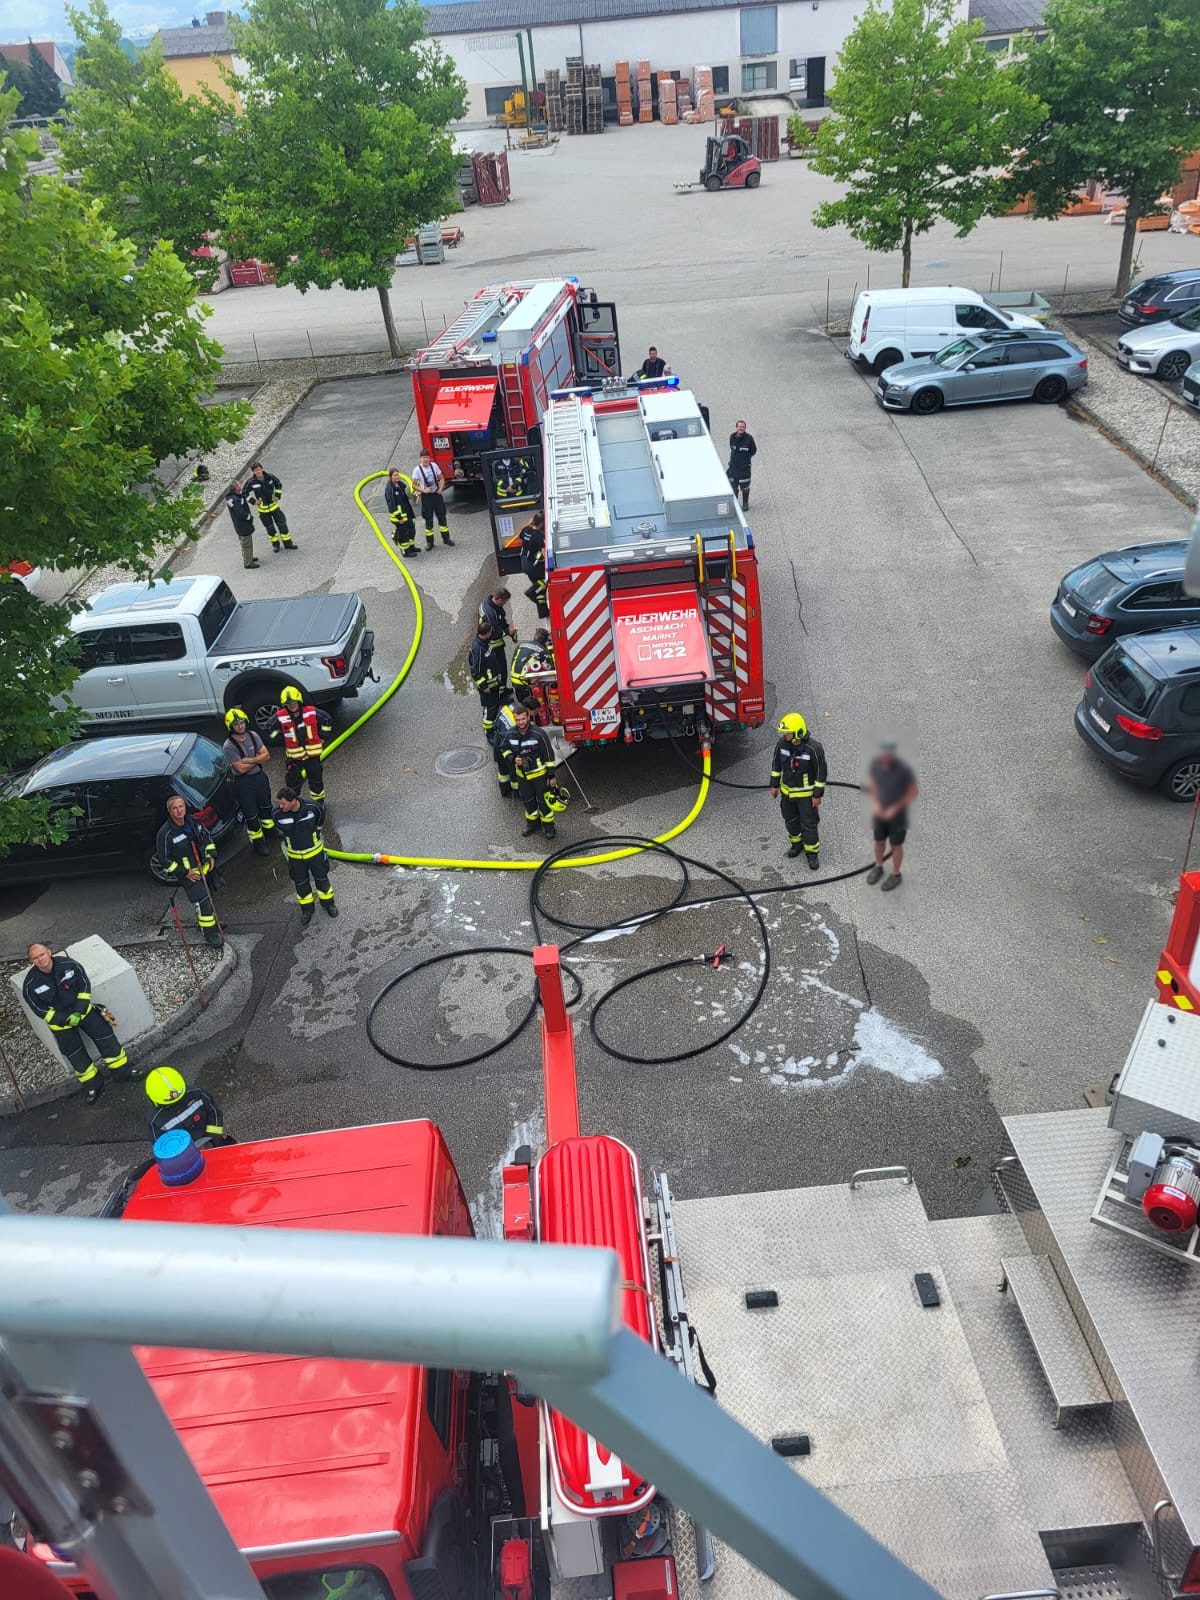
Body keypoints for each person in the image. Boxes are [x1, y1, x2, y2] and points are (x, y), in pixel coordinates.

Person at [22, 943, 136, 1103]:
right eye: (35, 958)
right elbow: (39, 1009)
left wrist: (79, 1011)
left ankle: (123, 1072)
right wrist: (64, 1019)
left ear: (49, 952)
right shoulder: (30, 984)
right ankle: (93, 1084)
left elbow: (84, 985)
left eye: (42, 954)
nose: (40, 959)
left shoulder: (69, 965)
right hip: (61, 1024)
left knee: (106, 1040)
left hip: (83, 1012)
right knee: (76, 1056)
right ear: (31, 961)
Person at [156, 795, 223, 947]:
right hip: (190, 876)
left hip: (205, 869)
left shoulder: (193, 821)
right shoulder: (166, 834)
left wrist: (211, 855)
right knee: (203, 902)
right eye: (175, 808)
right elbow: (165, 860)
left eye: (181, 806)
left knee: (209, 898)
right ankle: (210, 933)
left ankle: (209, 923)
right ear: (170, 811)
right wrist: (184, 873)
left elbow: (207, 838)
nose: (179, 811)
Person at [769, 712, 827, 867]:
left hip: (806, 797)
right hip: (787, 794)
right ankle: (797, 844)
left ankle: (812, 854)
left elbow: (821, 773)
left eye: (787, 733)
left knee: (809, 824)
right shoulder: (781, 745)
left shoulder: (813, 748)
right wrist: (774, 785)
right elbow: (776, 766)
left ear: (798, 732)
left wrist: (817, 795)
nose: (784, 736)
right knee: (790, 821)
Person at [272, 786, 337, 925]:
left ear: (294, 801)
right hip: (295, 858)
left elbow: (320, 821)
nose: (280, 806)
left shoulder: (313, 808)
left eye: (283, 803)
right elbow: (278, 829)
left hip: (315, 854)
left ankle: (328, 904)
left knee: (322, 880)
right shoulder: (277, 814)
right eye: (280, 803)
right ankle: (307, 910)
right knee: (301, 885)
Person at [496, 705, 562, 841]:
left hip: (540, 776)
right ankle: (532, 824)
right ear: (515, 719)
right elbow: (504, 749)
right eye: (518, 720)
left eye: (523, 719)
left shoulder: (538, 734)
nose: (521, 722)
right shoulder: (510, 734)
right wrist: (513, 758)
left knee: (544, 803)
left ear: (528, 717)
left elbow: (548, 755)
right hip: (522, 777)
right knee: (528, 802)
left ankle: (549, 827)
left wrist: (551, 775)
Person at [866, 742, 919, 892]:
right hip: (880, 813)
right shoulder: (877, 765)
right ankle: (878, 866)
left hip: (898, 816)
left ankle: (896, 874)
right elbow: (873, 783)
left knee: (896, 845)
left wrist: (895, 808)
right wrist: (876, 803)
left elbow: (914, 791)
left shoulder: (904, 771)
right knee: (879, 841)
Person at [266, 685, 333, 801]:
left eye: (294, 702)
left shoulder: (311, 712)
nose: (292, 705)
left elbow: (327, 720)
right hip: (294, 758)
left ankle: (319, 802)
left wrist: (322, 737)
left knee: (316, 781)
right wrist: (282, 740)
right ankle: (292, 803)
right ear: (284, 705)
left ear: (299, 701)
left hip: (312, 757)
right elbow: (268, 729)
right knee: (292, 783)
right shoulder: (280, 716)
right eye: (289, 703)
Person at [222, 707, 273, 857]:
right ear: (231, 727)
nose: (240, 726)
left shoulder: (253, 735)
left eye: (242, 722)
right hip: (243, 783)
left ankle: (270, 830)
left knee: (266, 805)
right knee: (251, 814)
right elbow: (240, 769)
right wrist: (258, 759)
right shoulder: (229, 746)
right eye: (236, 724)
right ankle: (258, 842)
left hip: (259, 777)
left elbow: (267, 755)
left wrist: (250, 760)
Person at [145, 1066, 234, 1148]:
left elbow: (214, 1113)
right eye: (169, 1101)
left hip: (211, 1139)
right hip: (186, 1153)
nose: (176, 1101)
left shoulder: (196, 1094)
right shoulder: (156, 1120)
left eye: (179, 1096)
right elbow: (163, 1147)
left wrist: (212, 1138)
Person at [492, 692, 537, 799]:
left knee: (503, 772)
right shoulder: (517, 726)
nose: (534, 714)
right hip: (507, 748)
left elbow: (496, 724)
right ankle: (517, 794)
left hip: (497, 742)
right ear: (527, 709)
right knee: (514, 773)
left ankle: (505, 791)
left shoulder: (509, 707)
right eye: (533, 712)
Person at [247, 461, 297, 553]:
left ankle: (288, 543)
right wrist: (254, 501)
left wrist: (277, 496)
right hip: (263, 511)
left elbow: (278, 485)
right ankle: (276, 545)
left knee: (282, 525)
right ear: (253, 472)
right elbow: (244, 493)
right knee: (270, 529)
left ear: (262, 469)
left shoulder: (270, 477)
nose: (258, 472)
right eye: (255, 470)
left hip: (275, 508)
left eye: (259, 469)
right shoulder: (251, 482)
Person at [413, 449, 454, 549]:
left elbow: (442, 478)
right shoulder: (417, 470)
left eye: (427, 457)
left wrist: (440, 489)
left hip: (437, 495)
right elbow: (413, 485)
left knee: (442, 517)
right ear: (420, 459)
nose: (425, 460)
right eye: (423, 458)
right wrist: (423, 490)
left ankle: (446, 539)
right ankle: (430, 543)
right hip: (426, 497)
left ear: (429, 458)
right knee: (429, 520)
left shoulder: (434, 466)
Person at [469, 622, 504, 737]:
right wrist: (484, 686)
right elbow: (475, 671)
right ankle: (489, 732)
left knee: (494, 705)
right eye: (491, 631)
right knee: (490, 709)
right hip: (488, 686)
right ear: (487, 633)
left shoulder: (484, 643)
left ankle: (492, 722)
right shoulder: (478, 649)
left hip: (493, 683)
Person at [480, 588, 517, 682]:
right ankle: (502, 692)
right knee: (501, 668)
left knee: (500, 668)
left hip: (493, 637)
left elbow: (500, 619)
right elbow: (493, 634)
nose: (504, 604)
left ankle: (502, 689)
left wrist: (506, 626)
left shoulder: (489, 601)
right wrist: (508, 632)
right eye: (504, 602)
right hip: (493, 644)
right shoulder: (490, 615)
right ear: (499, 599)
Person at [225, 480, 261, 569]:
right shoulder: (236, 499)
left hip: (239, 525)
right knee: (246, 543)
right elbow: (240, 513)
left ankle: (249, 557)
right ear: (236, 487)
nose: (240, 485)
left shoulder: (231, 498)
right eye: (239, 484)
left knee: (245, 543)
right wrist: (249, 517)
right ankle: (248, 563)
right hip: (243, 525)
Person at [519, 510, 548, 615]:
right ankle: (531, 592)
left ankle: (543, 612)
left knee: (541, 590)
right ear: (541, 523)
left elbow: (521, 534)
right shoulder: (538, 536)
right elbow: (544, 552)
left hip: (525, 563)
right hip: (533, 566)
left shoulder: (526, 530)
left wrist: (529, 523)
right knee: (546, 580)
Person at [384, 469, 418, 557]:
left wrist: (414, 493)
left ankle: (411, 547)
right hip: (399, 517)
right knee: (404, 534)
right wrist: (399, 518)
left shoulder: (400, 484)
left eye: (398, 475)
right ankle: (405, 552)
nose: (397, 477)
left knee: (411, 530)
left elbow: (408, 493)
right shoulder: (390, 489)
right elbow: (392, 505)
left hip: (407, 512)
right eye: (395, 475)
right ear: (390, 477)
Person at [511, 629, 554, 695]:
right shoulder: (543, 651)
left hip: (513, 679)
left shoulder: (520, 645)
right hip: (525, 683)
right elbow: (550, 670)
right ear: (545, 641)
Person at [727, 420, 757, 511]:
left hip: (744, 468)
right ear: (736, 427)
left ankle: (745, 504)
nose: (741, 428)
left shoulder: (749, 438)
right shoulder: (732, 437)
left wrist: (746, 458)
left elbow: (753, 450)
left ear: (745, 428)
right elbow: (731, 448)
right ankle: (735, 505)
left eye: (743, 427)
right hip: (733, 467)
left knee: (745, 487)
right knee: (734, 487)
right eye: (739, 426)